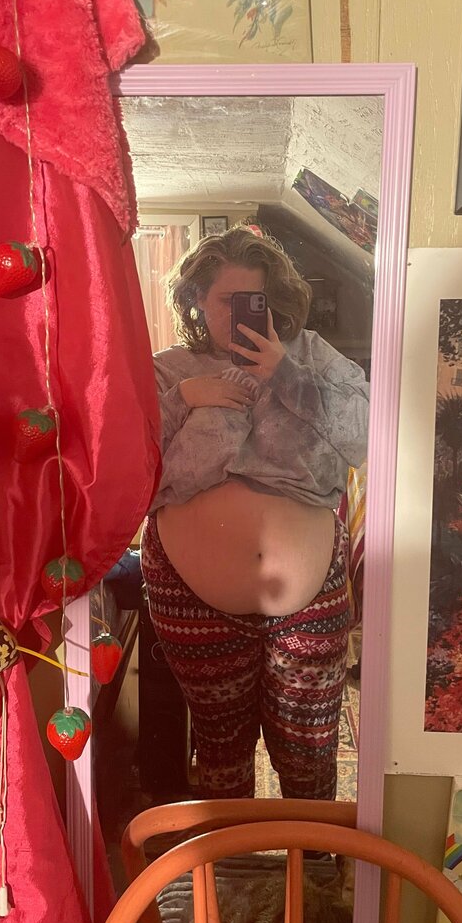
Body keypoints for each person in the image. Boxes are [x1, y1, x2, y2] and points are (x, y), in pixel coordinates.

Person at [140, 226, 369, 800]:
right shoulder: (170, 369)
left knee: (309, 751)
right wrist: (184, 399)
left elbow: (368, 436)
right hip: (191, 596)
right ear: (197, 298)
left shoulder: (310, 354)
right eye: (226, 300)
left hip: (309, 594)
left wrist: (286, 377)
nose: (240, 314)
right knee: (220, 748)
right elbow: (127, 466)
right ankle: (233, 855)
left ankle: (311, 850)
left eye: (255, 300)